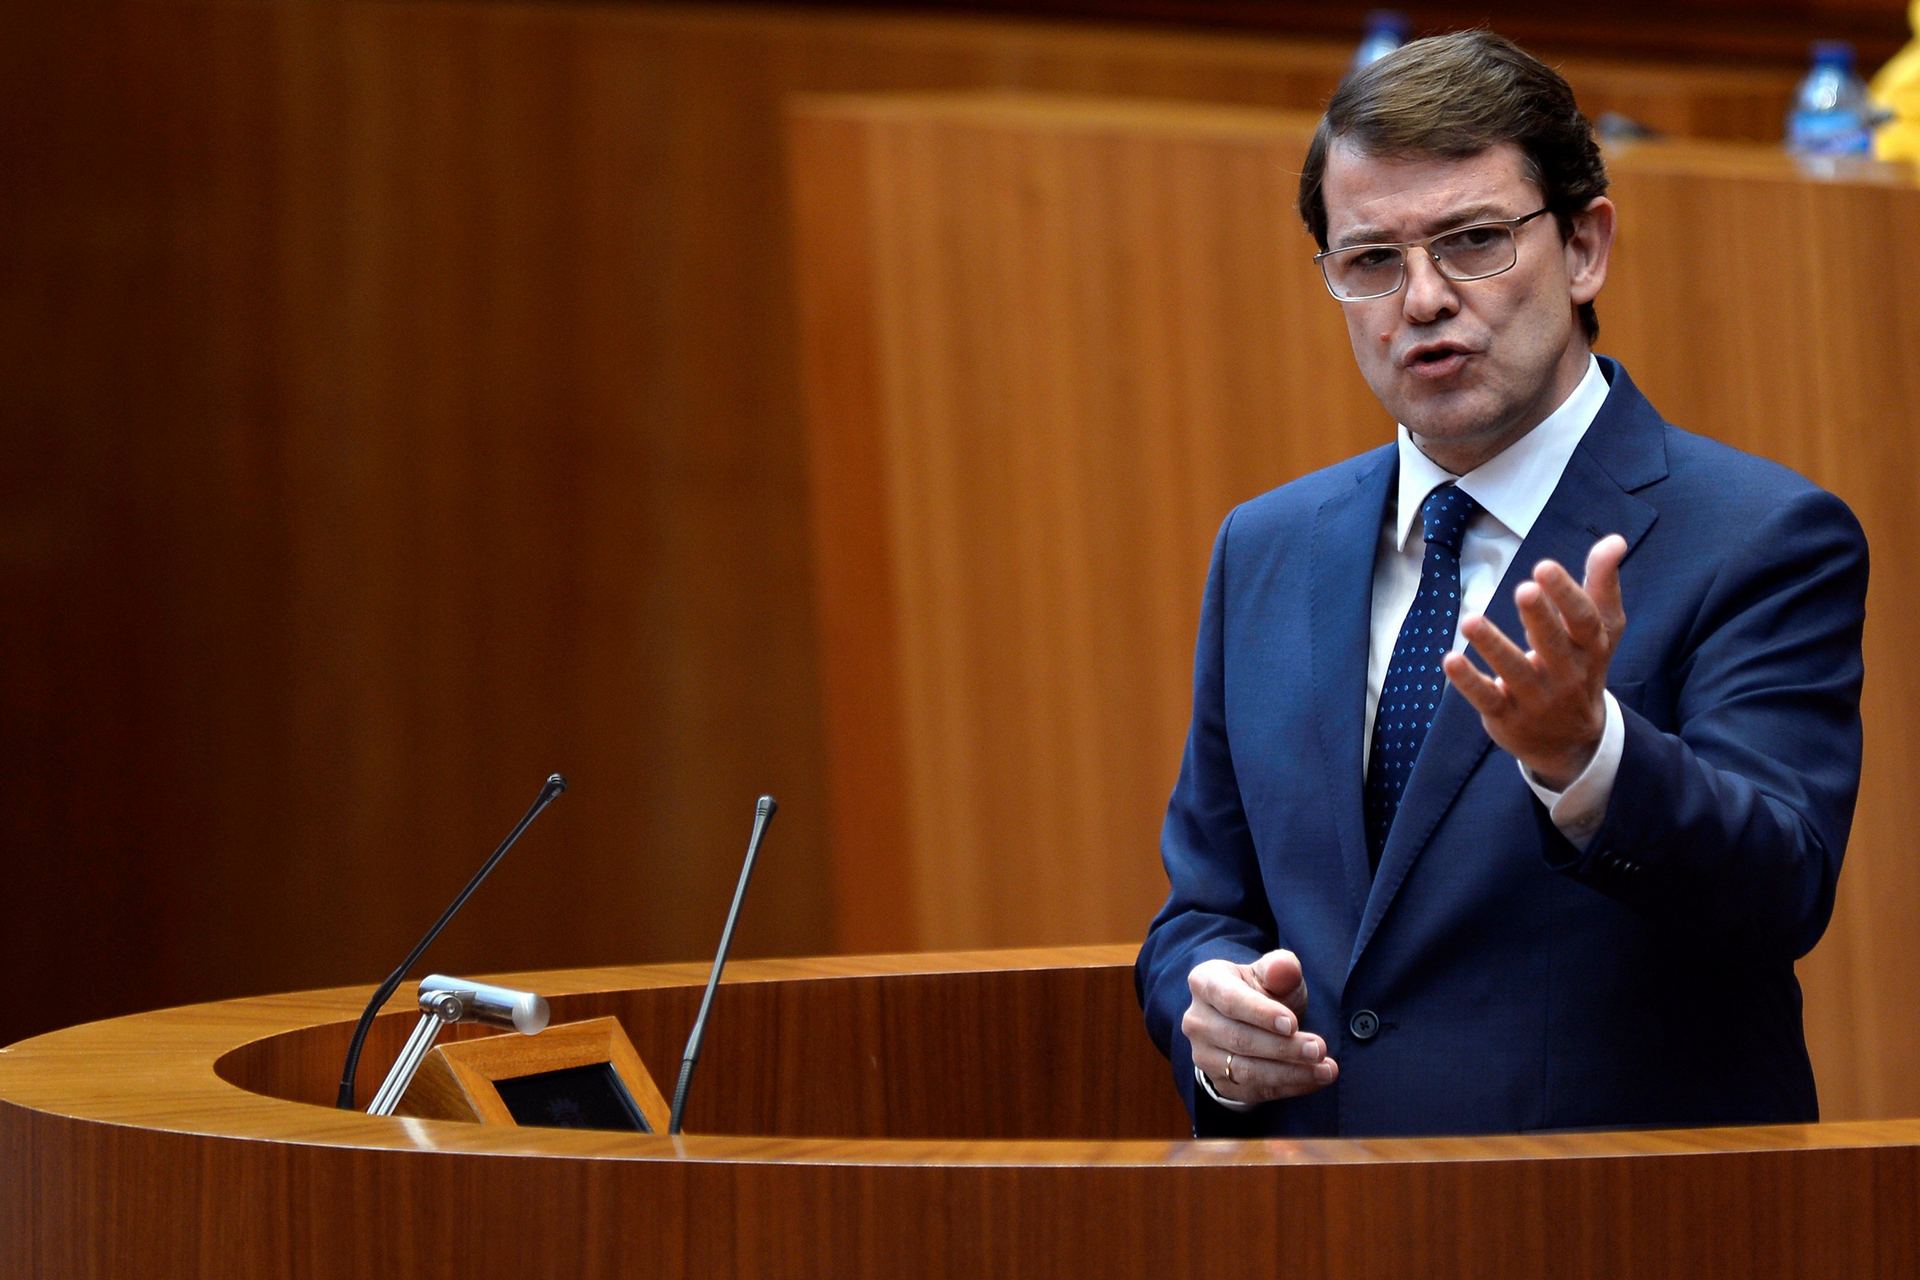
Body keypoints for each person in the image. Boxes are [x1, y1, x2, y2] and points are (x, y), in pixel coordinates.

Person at [1134, 30, 1868, 1138]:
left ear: (1584, 247)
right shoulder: (1267, 545)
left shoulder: (1759, 537)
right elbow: (1204, 906)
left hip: (1611, 1220)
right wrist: (1218, 1019)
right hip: (1312, 1224)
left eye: (1473, 242)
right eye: (1372, 259)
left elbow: (1778, 886)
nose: (1422, 298)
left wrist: (1588, 756)